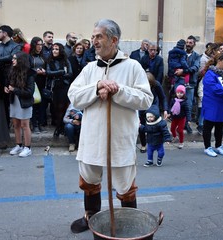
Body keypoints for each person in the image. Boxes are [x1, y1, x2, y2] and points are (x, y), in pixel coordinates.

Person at [67, 19, 153, 234]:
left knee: (125, 187)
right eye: (93, 36)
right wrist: (96, 88)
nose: (94, 41)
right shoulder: (89, 69)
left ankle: (128, 222)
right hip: (92, 138)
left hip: (120, 138)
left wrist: (119, 91)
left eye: (99, 36)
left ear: (114, 40)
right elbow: (74, 96)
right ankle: (92, 218)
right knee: (89, 180)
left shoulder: (132, 66)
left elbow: (145, 100)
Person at [202, 53, 223, 157]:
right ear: (219, 61)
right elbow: (214, 88)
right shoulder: (210, 74)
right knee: (208, 126)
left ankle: (218, 145)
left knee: (219, 127)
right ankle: (207, 147)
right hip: (212, 104)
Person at [4, 52, 34, 157]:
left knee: (24, 125)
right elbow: (7, 82)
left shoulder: (29, 73)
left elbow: (30, 92)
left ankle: (27, 147)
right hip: (14, 101)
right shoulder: (12, 71)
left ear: (21, 60)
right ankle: (18, 145)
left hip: (24, 102)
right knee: (16, 125)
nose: (13, 60)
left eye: (15, 59)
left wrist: (15, 90)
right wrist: (6, 88)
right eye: (13, 58)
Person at [174, 35, 200, 134]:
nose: (188, 44)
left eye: (190, 43)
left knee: (188, 105)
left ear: (194, 44)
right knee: (178, 104)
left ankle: (186, 124)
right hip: (179, 81)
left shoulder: (197, 56)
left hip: (190, 83)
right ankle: (177, 124)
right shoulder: (180, 53)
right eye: (187, 42)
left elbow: (195, 68)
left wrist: (183, 71)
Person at [46, 43, 72, 137]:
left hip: (64, 86)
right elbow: (48, 72)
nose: (54, 51)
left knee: (62, 107)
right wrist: (60, 72)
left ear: (60, 50)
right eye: (53, 49)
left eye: (56, 49)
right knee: (55, 108)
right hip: (54, 86)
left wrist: (58, 74)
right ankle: (59, 126)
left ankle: (58, 128)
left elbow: (70, 73)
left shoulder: (65, 61)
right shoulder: (50, 61)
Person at [0, 25, 21, 127]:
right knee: (2, 103)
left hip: (12, 78)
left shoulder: (16, 46)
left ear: (5, 33)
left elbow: (12, 57)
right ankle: (3, 127)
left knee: (11, 102)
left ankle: (12, 126)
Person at [139, 72, 168, 153]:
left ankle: (155, 143)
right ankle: (143, 144)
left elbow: (163, 97)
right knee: (141, 126)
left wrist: (165, 109)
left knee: (154, 126)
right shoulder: (139, 86)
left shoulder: (157, 85)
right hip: (142, 105)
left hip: (153, 106)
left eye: (150, 85)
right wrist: (137, 116)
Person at [196, 43, 219, 135]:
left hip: (211, 96)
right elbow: (201, 87)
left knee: (206, 111)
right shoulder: (206, 76)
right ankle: (200, 125)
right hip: (205, 96)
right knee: (202, 109)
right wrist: (202, 96)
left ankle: (203, 124)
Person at [29, 36, 47, 133]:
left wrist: (45, 71)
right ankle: (34, 125)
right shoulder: (29, 57)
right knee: (34, 104)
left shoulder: (43, 56)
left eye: (41, 45)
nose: (40, 47)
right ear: (34, 45)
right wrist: (36, 71)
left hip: (42, 82)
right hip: (33, 82)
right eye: (38, 44)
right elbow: (27, 69)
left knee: (41, 104)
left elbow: (47, 67)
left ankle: (40, 124)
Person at [169, 85, 191, 149]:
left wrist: (188, 120)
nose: (179, 94)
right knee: (172, 128)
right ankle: (175, 137)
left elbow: (188, 111)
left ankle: (181, 142)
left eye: (181, 93)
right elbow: (171, 108)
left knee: (180, 130)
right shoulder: (174, 100)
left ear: (184, 93)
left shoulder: (185, 102)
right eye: (178, 92)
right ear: (176, 93)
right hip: (175, 117)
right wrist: (169, 113)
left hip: (182, 118)